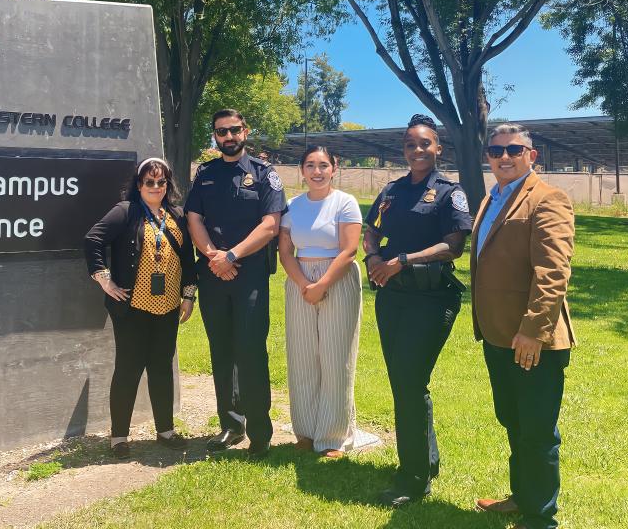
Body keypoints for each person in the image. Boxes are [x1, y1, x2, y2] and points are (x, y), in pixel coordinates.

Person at [363, 114, 473, 507]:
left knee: (410, 382)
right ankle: (426, 460)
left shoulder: (448, 192)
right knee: (402, 382)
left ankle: (412, 478)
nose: (417, 150)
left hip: (431, 299)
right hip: (392, 297)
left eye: (424, 143)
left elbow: (454, 246)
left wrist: (402, 260)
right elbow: (371, 227)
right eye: (410, 144)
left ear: (438, 148)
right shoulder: (392, 191)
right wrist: (375, 256)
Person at [471, 123, 575, 529]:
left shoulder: (549, 199)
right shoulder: (492, 198)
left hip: (532, 339)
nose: (504, 156)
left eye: (514, 149)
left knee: (537, 430)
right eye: (495, 150)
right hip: (497, 334)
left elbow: (553, 271)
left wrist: (533, 330)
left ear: (532, 155)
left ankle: (541, 517)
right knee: (512, 420)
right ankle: (523, 497)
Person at [185, 108, 287, 458]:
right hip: (213, 275)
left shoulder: (263, 174)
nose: (228, 137)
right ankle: (230, 425)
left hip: (250, 276)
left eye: (233, 130)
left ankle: (260, 432)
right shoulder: (206, 173)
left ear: (245, 131)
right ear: (215, 136)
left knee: (250, 351)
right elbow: (193, 217)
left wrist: (232, 256)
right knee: (221, 351)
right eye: (221, 132)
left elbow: (270, 225)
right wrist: (214, 255)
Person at [83, 157, 198, 458]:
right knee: (128, 369)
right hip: (132, 307)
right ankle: (119, 437)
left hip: (168, 306)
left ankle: (166, 430)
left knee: (162, 367)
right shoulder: (126, 212)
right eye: (150, 182)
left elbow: (188, 259)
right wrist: (105, 280)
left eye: (162, 182)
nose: (156, 187)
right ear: (139, 184)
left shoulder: (176, 215)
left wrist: (188, 295)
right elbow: (93, 240)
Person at [278, 145, 363, 458]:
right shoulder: (292, 206)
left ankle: (331, 435)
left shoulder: (345, 203)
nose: (317, 172)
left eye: (323, 165)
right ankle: (305, 430)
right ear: (302, 170)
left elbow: (350, 249)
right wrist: (304, 284)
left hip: (337, 279)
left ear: (334, 167)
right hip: (300, 279)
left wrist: (323, 283)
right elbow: (285, 251)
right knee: (302, 357)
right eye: (310, 165)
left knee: (335, 357)